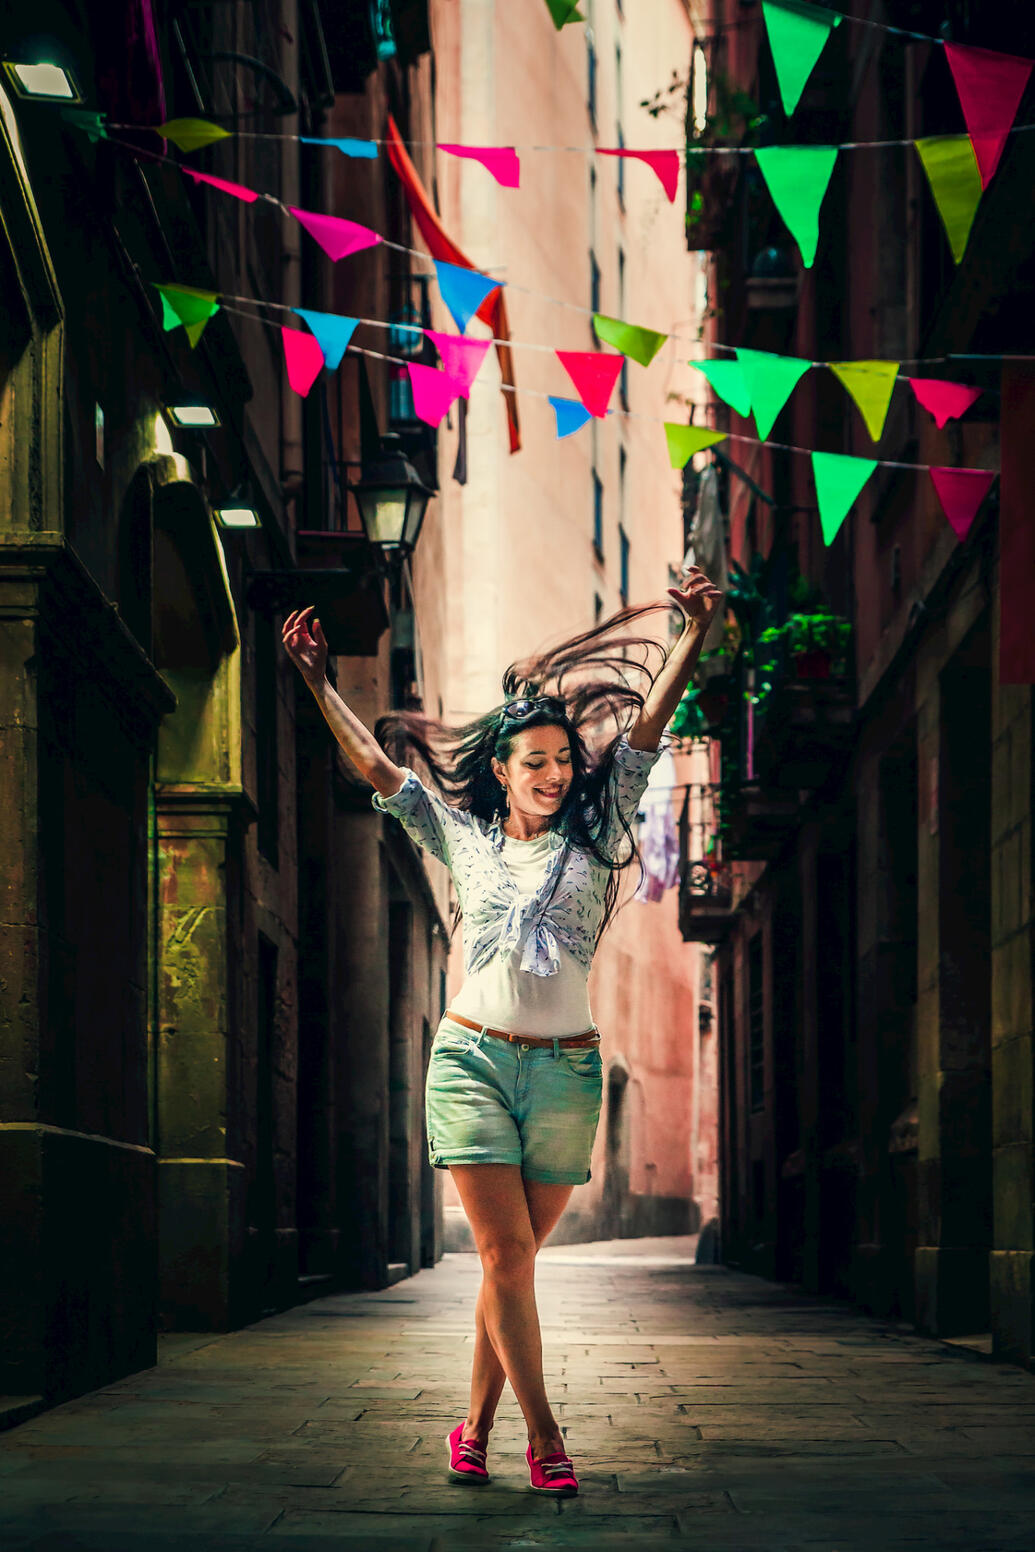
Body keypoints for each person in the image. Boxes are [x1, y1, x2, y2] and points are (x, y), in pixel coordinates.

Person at [280, 565, 723, 1495]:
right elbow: (380, 773)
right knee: (504, 1256)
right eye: (536, 762)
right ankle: (547, 1439)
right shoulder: (461, 840)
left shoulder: (600, 836)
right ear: (501, 770)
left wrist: (690, 637)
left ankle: (471, 1429)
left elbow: (644, 734)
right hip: (471, 1060)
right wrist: (320, 684)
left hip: (564, 1074)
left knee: (508, 1268)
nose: (555, 775)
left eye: (564, 760)